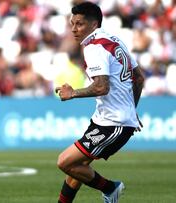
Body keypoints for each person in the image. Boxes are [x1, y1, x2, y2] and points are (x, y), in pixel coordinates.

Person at [55, 2, 144, 203]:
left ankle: (111, 188)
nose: (74, 29)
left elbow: (101, 87)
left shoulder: (94, 47)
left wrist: (72, 93)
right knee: (77, 166)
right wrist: (132, 109)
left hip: (114, 123)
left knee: (64, 162)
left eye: (79, 24)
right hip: (106, 120)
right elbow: (138, 78)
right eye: (72, 23)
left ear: (94, 24)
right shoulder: (114, 40)